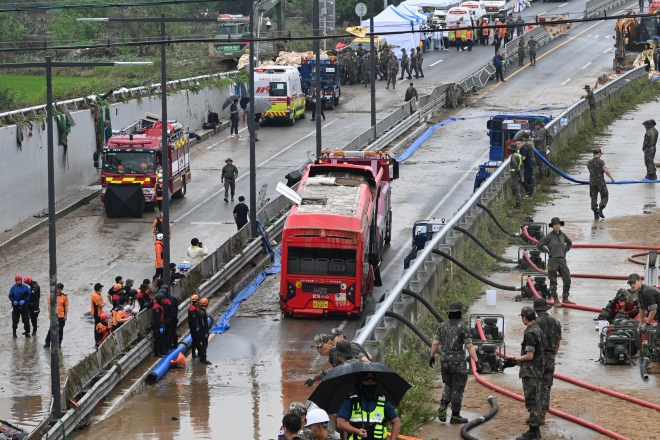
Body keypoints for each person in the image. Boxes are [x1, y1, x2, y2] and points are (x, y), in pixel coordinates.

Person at [428, 301, 481, 424]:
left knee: (448, 384)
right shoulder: (462, 327)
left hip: (444, 361)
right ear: (460, 313)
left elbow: (435, 343)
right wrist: (477, 361)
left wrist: (431, 357)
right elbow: (469, 346)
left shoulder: (442, 326)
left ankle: (442, 408)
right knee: (457, 388)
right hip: (457, 362)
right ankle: (455, 416)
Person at [336, 372, 401, 440]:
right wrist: (357, 431)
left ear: (376, 383)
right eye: (366, 381)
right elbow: (340, 422)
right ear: (361, 383)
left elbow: (396, 422)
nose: (370, 384)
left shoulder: (382, 402)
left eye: (372, 382)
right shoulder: (352, 401)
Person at [512, 306, 545, 440]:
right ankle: (535, 430)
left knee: (532, 400)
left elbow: (530, 355)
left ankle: (533, 431)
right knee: (537, 399)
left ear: (524, 317)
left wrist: (515, 359)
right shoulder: (538, 329)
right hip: (537, 369)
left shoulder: (530, 332)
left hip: (530, 372)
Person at [533, 297, 561, 426]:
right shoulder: (556, 322)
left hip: (537, 359)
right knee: (546, 387)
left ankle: (535, 415)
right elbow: (557, 343)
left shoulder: (535, 324)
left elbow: (531, 345)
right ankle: (543, 415)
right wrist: (552, 356)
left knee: (535, 387)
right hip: (550, 358)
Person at [537, 217, 574, 307]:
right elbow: (539, 244)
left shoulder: (562, 235)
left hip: (562, 260)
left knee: (567, 279)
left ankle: (565, 298)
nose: (557, 226)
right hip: (553, 260)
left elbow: (569, 242)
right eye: (555, 225)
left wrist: (565, 250)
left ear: (560, 225)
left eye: (558, 224)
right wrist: (546, 251)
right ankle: (555, 299)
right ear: (552, 226)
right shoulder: (549, 236)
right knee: (553, 281)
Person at [628, 273, 660, 373]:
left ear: (640, 280)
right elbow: (642, 308)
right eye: (630, 283)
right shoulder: (640, 292)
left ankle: (659, 367)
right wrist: (640, 324)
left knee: (658, 339)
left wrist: (646, 324)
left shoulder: (647, 292)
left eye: (634, 282)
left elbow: (653, 310)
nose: (632, 285)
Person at [587, 148, 615, 219]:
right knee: (605, 196)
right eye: (601, 154)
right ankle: (600, 209)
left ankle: (595, 213)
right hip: (600, 182)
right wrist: (611, 178)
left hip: (592, 182)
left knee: (593, 198)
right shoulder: (601, 162)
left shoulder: (589, 162)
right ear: (599, 153)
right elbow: (606, 171)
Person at [45, 283, 68, 348]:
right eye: (57, 288)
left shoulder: (64, 297)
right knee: (51, 330)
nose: (57, 289)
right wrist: (49, 314)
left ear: (61, 289)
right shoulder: (52, 296)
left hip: (61, 317)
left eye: (59, 288)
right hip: (54, 317)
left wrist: (66, 315)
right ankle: (47, 342)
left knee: (60, 331)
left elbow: (66, 307)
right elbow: (49, 305)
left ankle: (59, 343)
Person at [9, 274, 32, 338]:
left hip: (24, 306)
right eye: (17, 280)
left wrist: (25, 301)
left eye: (19, 280)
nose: (18, 282)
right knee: (15, 320)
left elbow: (29, 295)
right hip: (16, 307)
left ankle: (27, 332)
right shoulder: (13, 288)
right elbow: (10, 296)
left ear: (21, 280)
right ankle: (14, 333)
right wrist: (13, 301)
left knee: (26, 320)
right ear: (15, 281)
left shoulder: (25, 287)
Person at [508, 143, 524, 209]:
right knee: (518, 188)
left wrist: (520, 175)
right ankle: (519, 203)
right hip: (518, 174)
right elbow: (522, 166)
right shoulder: (519, 155)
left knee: (515, 189)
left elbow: (516, 166)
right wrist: (522, 175)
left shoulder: (514, 156)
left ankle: (518, 204)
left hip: (514, 174)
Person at [198, 298, 211, 364]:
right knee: (204, 345)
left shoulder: (200, 311)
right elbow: (203, 324)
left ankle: (202, 357)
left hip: (201, 331)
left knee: (203, 345)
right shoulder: (202, 313)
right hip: (203, 332)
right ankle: (203, 359)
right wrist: (205, 333)